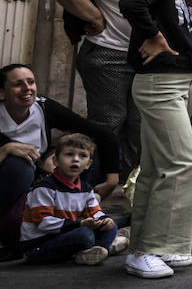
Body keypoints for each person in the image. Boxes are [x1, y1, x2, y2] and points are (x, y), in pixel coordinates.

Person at [117, 0, 192, 280]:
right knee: (184, 165)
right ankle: (152, 248)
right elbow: (131, 2)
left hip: (171, 86)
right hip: (160, 86)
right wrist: (153, 35)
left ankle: (154, 246)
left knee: (156, 170)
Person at [54, 0, 161, 171]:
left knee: (139, 123)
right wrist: (96, 17)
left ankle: (128, 182)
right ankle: (94, 178)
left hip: (144, 58)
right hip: (108, 55)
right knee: (109, 120)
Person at [0, 63, 121, 253]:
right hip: (10, 186)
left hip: (41, 185)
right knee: (20, 166)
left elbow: (101, 134)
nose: (27, 89)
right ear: (2, 92)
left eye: (30, 82)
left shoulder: (43, 108)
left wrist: (112, 177)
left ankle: (87, 214)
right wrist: (5, 149)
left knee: (82, 152)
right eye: (18, 84)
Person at [20, 134, 118, 265]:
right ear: (55, 161)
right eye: (69, 154)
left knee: (111, 226)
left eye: (82, 156)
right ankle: (103, 248)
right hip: (38, 247)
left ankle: (97, 250)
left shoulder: (86, 189)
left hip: (64, 236)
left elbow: (95, 212)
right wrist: (80, 224)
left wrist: (103, 220)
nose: (75, 160)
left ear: (88, 164)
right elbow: (43, 223)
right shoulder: (45, 188)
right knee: (84, 234)